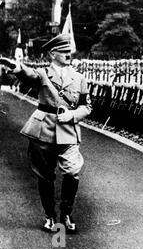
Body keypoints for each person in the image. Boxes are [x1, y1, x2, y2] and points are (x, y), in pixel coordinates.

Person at [0, 33, 92, 233]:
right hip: (44, 129)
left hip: (68, 129)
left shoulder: (79, 78)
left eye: (69, 51)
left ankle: (66, 213)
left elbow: (87, 107)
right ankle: (50, 215)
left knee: (72, 171)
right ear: (52, 54)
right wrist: (15, 67)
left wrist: (73, 115)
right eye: (63, 51)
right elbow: (28, 74)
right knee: (45, 175)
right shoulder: (43, 74)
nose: (68, 54)